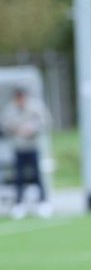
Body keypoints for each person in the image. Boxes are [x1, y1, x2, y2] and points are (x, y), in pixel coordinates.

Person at [1, 87, 52, 218]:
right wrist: (15, 129)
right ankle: (19, 203)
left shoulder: (35, 107)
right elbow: (5, 125)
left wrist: (32, 128)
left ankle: (43, 202)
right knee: (19, 177)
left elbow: (45, 121)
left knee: (37, 175)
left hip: (32, 146)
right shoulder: (11, 109)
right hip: (19, 147)